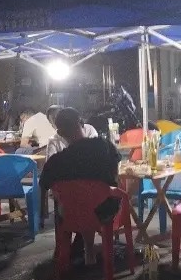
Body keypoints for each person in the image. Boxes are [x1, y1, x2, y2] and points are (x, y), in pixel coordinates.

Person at [40, 108, 121, 262]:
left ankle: (65, 253)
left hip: (71, 213)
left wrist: (42, 215)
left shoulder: (57, 161)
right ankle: (89, 249)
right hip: (103, 211)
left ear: (60, 133)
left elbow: (44, 185)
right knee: (100, 197)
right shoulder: (104, 146)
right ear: (82, 123)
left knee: (70, 203)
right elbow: (115, 174)